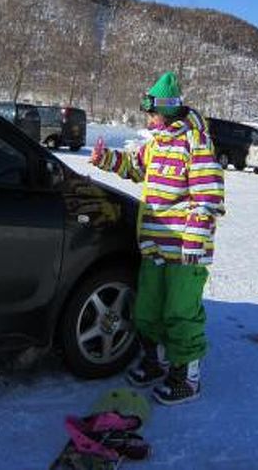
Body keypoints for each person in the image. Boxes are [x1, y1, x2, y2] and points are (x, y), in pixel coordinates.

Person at [90, 71, 224, 405]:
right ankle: (157, 360)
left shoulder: (196, 142)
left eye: (151, 113)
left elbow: (208, 196)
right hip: (154, 246)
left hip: (184, 250)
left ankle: (186, 377)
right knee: (149, 310)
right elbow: (135, 166)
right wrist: (106, 159)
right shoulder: (156, 145)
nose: (148, 119)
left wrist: (194, 240)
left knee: (180, 312)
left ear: (166, 110)